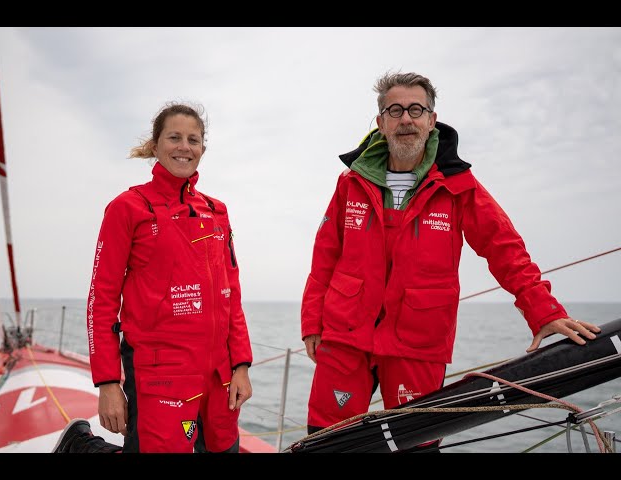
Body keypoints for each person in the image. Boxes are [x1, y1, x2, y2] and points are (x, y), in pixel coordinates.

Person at [300, 71, 601, 452]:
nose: (406, 119)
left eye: (416, 109)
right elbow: (324, 256)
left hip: (418, 339)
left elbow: (504, 248)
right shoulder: (350, 183)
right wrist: (312, 321)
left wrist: (543, 312)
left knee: (416, 444)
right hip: (345, 333)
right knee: (326, 440)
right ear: (380, 122)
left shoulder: (459, 186)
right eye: (395, 110)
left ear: (431, 119)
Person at [55, 101, 253, 453]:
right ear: (156, 145)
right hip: (160, 373)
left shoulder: (217, 211)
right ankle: (80, 447)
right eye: (174, 137)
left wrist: (241, 364)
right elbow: (101, 300)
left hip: (219, 375)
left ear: (203, 149)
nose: (184, 147)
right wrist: (108, 383)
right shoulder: (127, 208)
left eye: (193, 139)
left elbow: (230, 293)